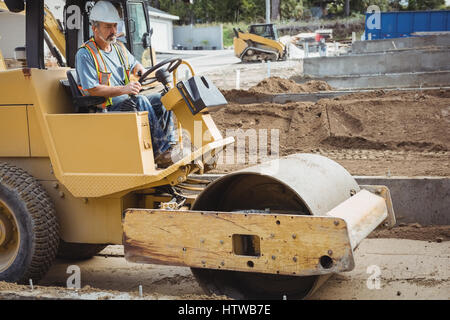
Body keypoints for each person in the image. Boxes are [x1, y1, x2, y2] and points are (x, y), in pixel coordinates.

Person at [75, 1, 176, 167]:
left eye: (115, 26)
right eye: (108, 27)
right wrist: (124, 89)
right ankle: (160, 152)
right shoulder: (85, 54)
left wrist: (141, 70)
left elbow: (134, 63)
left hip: (126, 102)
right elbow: (91, 89)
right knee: (141, 101)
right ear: (95, 28)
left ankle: (169, 147)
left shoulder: (119, 48)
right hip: (105, 109)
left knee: (163, 99)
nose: (113, 31)